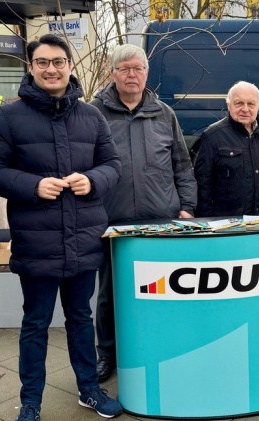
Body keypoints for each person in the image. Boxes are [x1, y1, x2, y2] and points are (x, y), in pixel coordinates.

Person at [0, 34, 123, 421]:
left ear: (69, 66)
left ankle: (89, 389)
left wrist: (92, 180)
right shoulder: (9, 116)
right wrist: (32, 185)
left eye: (58, 61)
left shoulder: (92, 116)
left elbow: (113, 164)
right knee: (36, 324)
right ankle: (30, 402)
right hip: (37, 241)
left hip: (83, 238)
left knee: (80, 318)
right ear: (31, 67)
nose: (51, 69)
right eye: (42, 62)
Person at [89, 43, 197, 382]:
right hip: (112, 221)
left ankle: (160, 347)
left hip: (161, 221)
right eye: (124, 69)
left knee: (162, 290)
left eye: (138, 68)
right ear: (113, 74)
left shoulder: (164, 114)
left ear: (147, 74)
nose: (131, 75)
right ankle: (107, 353)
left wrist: (187, 207)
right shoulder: (93, 114)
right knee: (110, 293)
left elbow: (182, 164)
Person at [194, 81, 259, 237]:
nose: (245, 109)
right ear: (229, 105)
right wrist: (206, 225)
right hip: (228, 229)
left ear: (258, 106)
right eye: (239, 103)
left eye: (251, 104)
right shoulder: (212, 136)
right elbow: (203, 186)